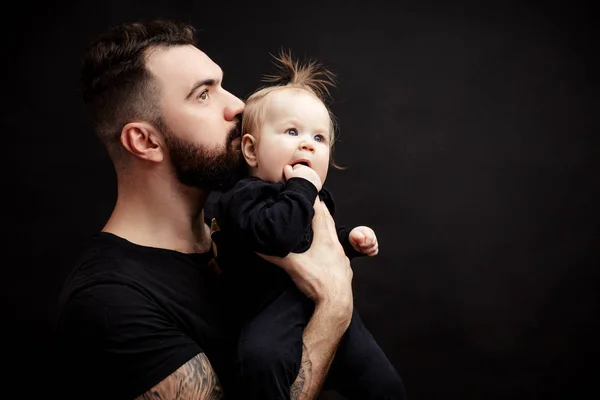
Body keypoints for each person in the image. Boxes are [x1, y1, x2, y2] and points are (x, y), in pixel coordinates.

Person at [54, 19, 356, 400]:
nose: (238, 106)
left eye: (221, 85)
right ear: (145, 140)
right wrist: (334, 308)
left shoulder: (239, 230)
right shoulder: (110, 302)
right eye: (203, 95)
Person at [210, 51, 405, 399]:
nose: (307, 144)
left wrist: (349, 241)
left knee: (385, 385)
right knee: (260, 360)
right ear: (251, 151)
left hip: (325, 308)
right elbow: (278, 235)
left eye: (320, 139)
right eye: (291, 131)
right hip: (270, 309)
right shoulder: (243, 197)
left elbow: (312, 244)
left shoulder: (312, 196)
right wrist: (302, 187)